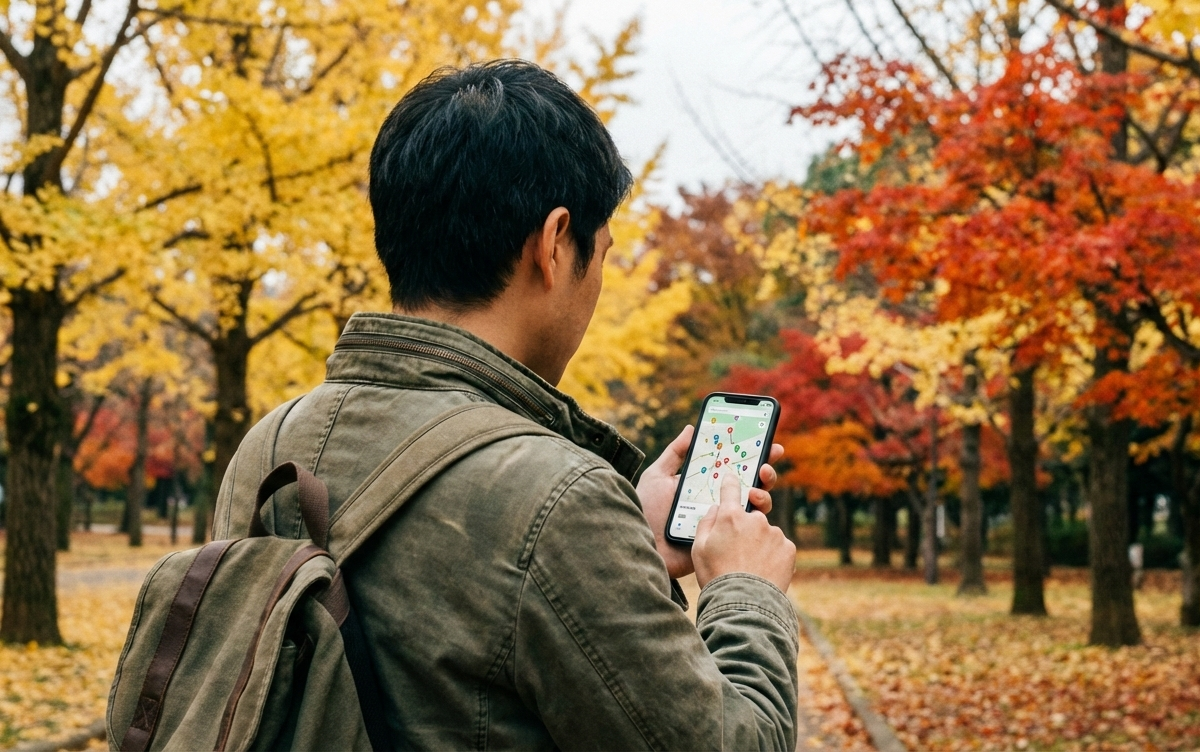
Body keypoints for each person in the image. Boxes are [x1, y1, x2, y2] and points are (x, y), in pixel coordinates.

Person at [210, 60, 800, 750]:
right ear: (554, 244)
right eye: (602, 255)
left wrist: (625, 548)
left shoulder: (268, 446)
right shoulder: (560, 503)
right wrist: (744, 590)